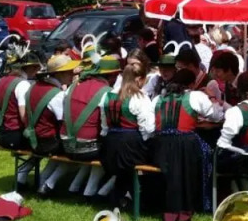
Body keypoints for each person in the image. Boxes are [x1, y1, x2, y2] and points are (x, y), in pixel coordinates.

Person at [153, 68, 225, 221]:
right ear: (192, 84)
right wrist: (213, 98)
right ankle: (198, 201)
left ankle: (169, 208)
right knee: (207, 153)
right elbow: (216, 115)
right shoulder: (195, 96)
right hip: (186, 143)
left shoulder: (158, 98)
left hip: (161, 145)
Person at [62, 56, 121, 198]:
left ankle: (74, 186)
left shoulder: (74, 86)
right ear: (112, 75)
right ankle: (94, 191)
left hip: (65, 145)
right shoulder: (107, 92)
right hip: (87, 149)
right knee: (111, 150)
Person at [100, 62, 156, 210]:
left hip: (109, 145)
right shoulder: (140, 97)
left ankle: (120, 197)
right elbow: (148, 129)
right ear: (139, 79)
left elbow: (104, 127)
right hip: (130, 146)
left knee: (124, 171)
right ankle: (141, 199)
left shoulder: (107, 95)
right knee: (153, 157)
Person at [26, 54, 79, 195]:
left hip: (32, 138)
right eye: (69, 71)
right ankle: (49, 184)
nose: (72, 74)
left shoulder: (34, 87)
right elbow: (65, 122)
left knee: (61, 152)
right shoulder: (56, 94)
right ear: (59, 74)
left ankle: (42, 179)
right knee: (77, 152)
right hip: (47, 141)